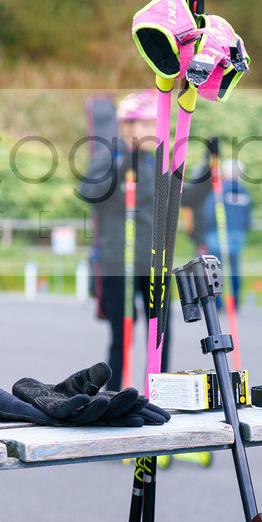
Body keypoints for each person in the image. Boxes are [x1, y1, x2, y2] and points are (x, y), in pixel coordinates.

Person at [78, 90, 159, 392]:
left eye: (155, 125)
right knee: (122, 334)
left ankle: (158, 393)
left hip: (151, 259)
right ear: (128, 126)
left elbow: (175, 200)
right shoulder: (111, 155)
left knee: (159, 334)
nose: (152, 131)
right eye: (146, 125)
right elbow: (89, 192)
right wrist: (124, 166)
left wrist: (207, 173)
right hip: (118, 259)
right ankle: (113, 395)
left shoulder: (152, 161)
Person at [201, 158, 253, 309]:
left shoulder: (220, 190)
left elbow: (209, 213)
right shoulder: (245, 192)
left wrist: (205, 231)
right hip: (237, 234)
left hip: (217, 233)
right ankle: (234, 302)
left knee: (214, 268)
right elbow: (248, 217)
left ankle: (216, 303)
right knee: (234, 268)